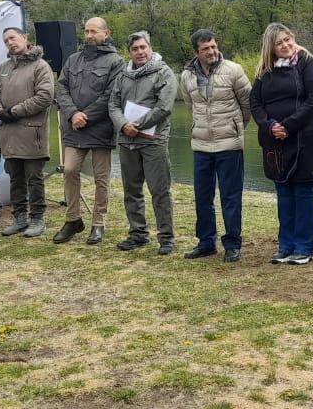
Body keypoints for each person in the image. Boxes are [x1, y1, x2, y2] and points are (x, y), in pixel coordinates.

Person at [250, 23, 313, 265]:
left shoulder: (306, 62)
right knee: (283, 191)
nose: (285, 45)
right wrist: (270, 126)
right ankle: (285, 246)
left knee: (302, 190)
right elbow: (255, 104)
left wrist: (289, 125)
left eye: (287, 39)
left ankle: (305, 247)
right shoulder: (264, 71)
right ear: (271, 48)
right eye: (279, 43)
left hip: (306, 137)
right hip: (275, 140)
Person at [180, 28, 252, 263]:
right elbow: (190, 105)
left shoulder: (234, 70)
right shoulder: (186, 76)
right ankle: (206, 243)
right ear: (196, 52)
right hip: (201, 145)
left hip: (229, 145)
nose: (211, 51)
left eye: (213, 46)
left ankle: (232, 244)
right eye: (205, 49)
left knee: (230, 197)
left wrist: (236, 127)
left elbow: (247, 103)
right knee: (202, 197)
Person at [53, 17, 123, 245]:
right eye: (86, 31)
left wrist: (86, 116)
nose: (90, 36)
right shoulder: (73, 59)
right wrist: (73, 114)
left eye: (94, 31)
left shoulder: (116, 62)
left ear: (106, 33)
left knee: (101, 178)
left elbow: (111, 95)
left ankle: (98, 224)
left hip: (101, 129)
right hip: (74, 128)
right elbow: (61, 88)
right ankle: (73, 219)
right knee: (69, 170)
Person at [109, 31, 177, 254]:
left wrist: (136, 125)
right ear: (129, 52)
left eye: (143, 47)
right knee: (131, 191)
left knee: (160, 191)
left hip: (153, 142)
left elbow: (164, 107)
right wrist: (123, 125)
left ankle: (166, 238)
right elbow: (113, 105)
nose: (140, 52)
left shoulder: (164, 73)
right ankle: (138, 234)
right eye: (135, 49)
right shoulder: (122, 75)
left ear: (150, 48)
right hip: (126, 141)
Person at [0, 26, 55, 238]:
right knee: (15, 179)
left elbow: (44, 97)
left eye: (13, 37)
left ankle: (37, 219)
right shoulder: (2, 68)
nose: (10, 43)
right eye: (6, 41)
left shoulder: (41, 66)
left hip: (32, 134)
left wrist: (14, 111)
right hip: (8, 134)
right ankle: (20, 218)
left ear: (24, 37)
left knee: (34, 179)